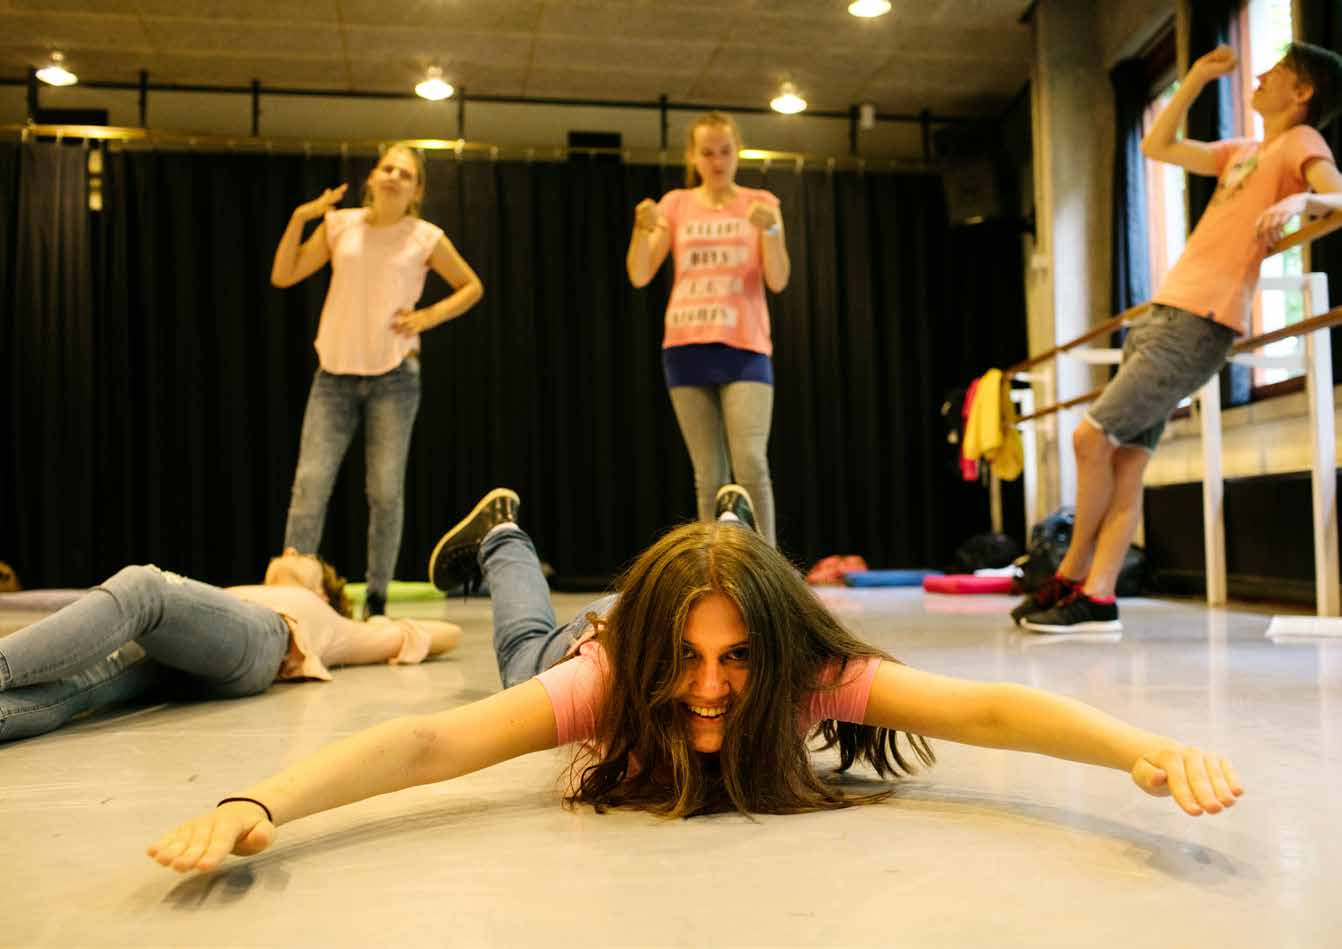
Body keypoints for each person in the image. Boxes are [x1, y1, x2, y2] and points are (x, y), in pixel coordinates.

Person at [148, 487, 1240, 875]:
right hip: (592, 643)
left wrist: (1137, 751)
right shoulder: (615, 681)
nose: (712, 689)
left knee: (729, 578)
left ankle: (734, 531)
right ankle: (504, 534)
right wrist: (263, 800)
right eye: (694, 658)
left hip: (668, 621)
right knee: (523, 634)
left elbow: (990, 704)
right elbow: (430, 746)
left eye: (736, 660)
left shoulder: (805, 672)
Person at [1015, 42, 1342, 633]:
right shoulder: (1244, 151)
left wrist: (1306, 197)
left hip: (1201, 322)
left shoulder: (1301, 143)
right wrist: (1191, 79)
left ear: (1303, 93)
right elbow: (1155, 145)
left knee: (1092, 438)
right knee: (1125, 462)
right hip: (1166, 316)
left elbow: (1338, 192)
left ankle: (1071, 571)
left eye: (1278, 73)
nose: (1260, 75)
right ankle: (1101, 596)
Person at [272, 141, 484, 618]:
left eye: (404, 173)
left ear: (416, 191)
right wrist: (302, 217)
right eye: (386, 168)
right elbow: (284, 274)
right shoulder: (338, 225)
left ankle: (377, 598)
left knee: (384, 491)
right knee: (309, 483)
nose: (392, 176)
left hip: (394, 377)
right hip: (334, 375)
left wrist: (427, 317)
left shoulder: (424, 236)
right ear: (371, 178)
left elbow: (472, 286)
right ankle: (290, 594)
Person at [0, 550, 461, 743]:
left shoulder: (332, 621)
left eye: (306, 557)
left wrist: (381, 621)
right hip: (195, 653)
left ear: (323, 590)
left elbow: (448, 635)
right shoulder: (233, 597)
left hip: (265, 640)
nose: (294, 550)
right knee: (83, 684)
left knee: (144, 586)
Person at [626, 112, 789, 547]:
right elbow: (640, 274)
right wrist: (641, 231)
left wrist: (770, 231)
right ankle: (715, 567)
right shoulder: (676, 204)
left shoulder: (763, 203)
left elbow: (778, 279)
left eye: (725, 151)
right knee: (708, 474)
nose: (717, 161)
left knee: (751, 462)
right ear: (693, 156)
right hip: (685, 346)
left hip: (745, 346)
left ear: (738, 152)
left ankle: (769, 569)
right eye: (707, 152)